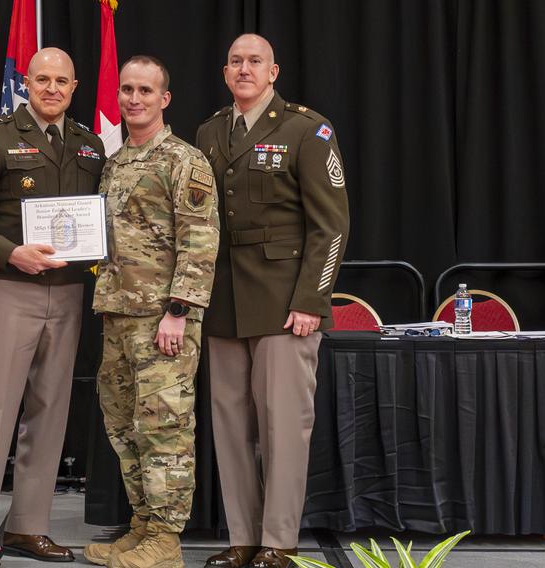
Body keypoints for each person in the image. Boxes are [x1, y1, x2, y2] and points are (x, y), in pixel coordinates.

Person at [0, 47, 106, 567]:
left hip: (69, 292)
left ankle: (27, 527)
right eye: (43, 79)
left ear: (75, 86)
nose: (52, 89)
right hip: (9, 288)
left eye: (62, 80)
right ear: (27, 83)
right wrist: (10, 251)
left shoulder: (89, 145)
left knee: (49, 411)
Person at [195, 34, 350, 568]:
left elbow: (331, 226)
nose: (244, 69)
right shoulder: (210, 130)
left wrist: (312, 298)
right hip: (223, 300)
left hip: (286, 304)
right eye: (235, 61)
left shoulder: (306, 129)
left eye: (254, 61)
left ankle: (278, 542)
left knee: (284, 427)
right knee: (230, 426)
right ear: (224, 70)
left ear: (273, 71)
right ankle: (242, 538)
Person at [84, 55, 220, 568]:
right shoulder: (116, 162)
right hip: (118, 314)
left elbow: (200, 241)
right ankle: (142, 524)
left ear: (164, 99)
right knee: (124, 425)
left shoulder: (183, 160)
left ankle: (166, 540)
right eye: (127, 90)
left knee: (165, 427)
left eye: (145, 91)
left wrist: (179, 311)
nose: (134, 99)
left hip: (163, 319)